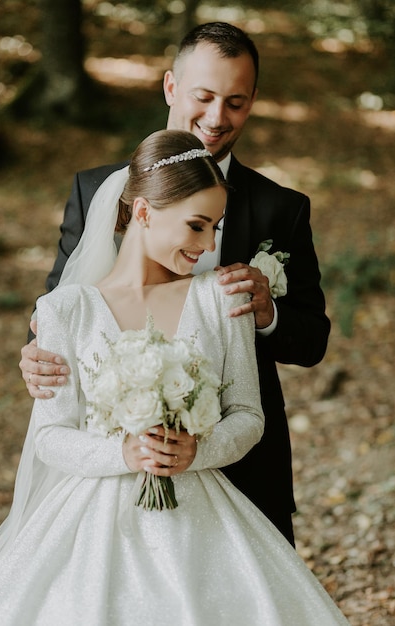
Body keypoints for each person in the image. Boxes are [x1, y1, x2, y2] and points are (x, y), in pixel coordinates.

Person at [0, 130, 348, 625]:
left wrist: (199, 450)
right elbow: (49, 435)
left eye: (216, 228)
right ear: (145, 212)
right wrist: (123, 453)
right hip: (89, 521)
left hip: (203, 512)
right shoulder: (64, 310)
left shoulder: (221, 299)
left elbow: (248, 415)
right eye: (197, 226)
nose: (208, 244)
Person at [19, 22, 331, 546]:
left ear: (252, 102)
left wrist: (266, 313)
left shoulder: (282, 208)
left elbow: (313, 338)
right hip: (111, 483)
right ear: (170, 88)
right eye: (204, 96)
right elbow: (61, 306)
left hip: (242, 465)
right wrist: (35, 354)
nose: (216, 118)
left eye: (235, 102)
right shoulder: (98, 190)